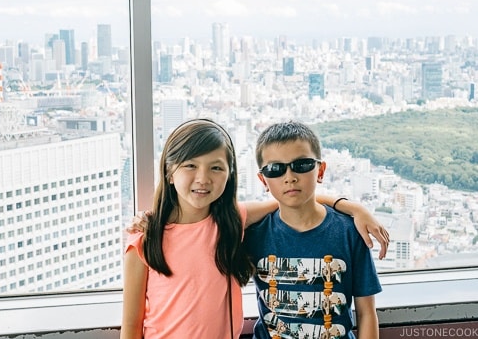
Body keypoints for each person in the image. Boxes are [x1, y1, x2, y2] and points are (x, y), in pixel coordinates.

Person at [121, 118, 388, 339]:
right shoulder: (145, 238)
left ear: (229, 175)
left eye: (216, 168)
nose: (202, 178)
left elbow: (292, 197)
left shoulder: (231, 222)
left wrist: (352, 208)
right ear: (169, 171)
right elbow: (131, 326)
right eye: (190, 165)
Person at [244, 121, 382, 338]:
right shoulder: (253, 235)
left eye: (302, 165)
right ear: (263, 179)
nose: (289, 177)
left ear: (321, 170)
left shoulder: (349, 232)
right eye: (275, 169)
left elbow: (366, 313)